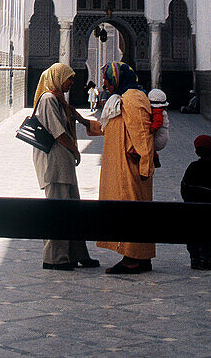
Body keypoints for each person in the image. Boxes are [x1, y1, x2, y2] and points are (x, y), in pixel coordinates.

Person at [86, 61, 155, 274]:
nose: (104, 83)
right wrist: (82, 120)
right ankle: (139, 256)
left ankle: (132, 259)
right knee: (130, 209)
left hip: (129, 167)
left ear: (117, 78)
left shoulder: (132, 99)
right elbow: (112, 125)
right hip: (120, 164)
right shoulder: (123, 99)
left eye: (107, 78)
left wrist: (145, 165)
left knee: (129, 209)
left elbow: (142, 134)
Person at [32, 62, 100, 270]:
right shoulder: (48, 99)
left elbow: (71, 119)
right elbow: (58, 132)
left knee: (72, 209)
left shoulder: (59, 100)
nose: (72, 83)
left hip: (64, 164)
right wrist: (75, 149)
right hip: (54, 164)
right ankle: (54, 258)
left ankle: (76, 254)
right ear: (58, 77)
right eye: (69, 78)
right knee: (58, 210)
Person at [180, 133, 211, 270]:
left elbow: (184, 187)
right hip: (209, 212)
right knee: (207, 235)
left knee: (193, 234)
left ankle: (194, 258)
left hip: (192, 211)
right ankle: (206, 259)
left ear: (196, 152)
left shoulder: (192, 167)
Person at [147, 87, 170, 167]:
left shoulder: (158, 112)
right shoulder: (161, 111)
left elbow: (158, 122)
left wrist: (151, 129)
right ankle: (155, 159)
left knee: (148, 146)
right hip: (163, 137)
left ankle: (154, 159)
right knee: (151, 148)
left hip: (159, 138)